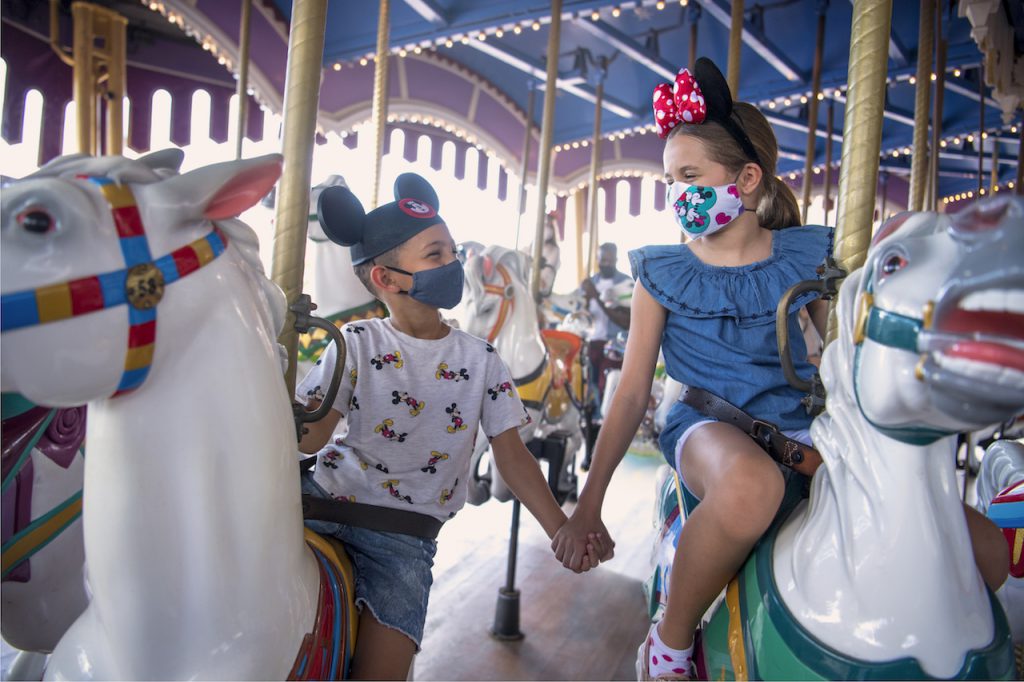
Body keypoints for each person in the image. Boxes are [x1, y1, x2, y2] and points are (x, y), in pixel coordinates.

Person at [552, 58, 1006, 680]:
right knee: (749, 489)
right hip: (707, 422)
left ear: (745, 178)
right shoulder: (660, 272)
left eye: (690, 175)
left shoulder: (805, 256)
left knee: (984, 552)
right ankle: (671, 642)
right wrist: (589, 502)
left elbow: (841, 361)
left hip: (796, 427)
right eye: (670, 180)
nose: (677, 192)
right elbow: (632, 393)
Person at [297, 173, 606, 680]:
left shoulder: (481, 359)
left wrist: (561, 528)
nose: (453, 265)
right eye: (436, 255)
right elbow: (311, 434)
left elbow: (512, 456)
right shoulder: (355, 342)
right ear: (387, 279)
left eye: (451, 253)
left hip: (401, 538)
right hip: (319, 503)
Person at [579, 242, 633, 469]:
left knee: (604, 397)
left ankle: (602, 452)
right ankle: (587, 448)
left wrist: (597, 299)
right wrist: (584, 299)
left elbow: (626, 320)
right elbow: (578, 312)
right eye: (602, 259)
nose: (605, 263)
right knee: (586, 397)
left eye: (609, 259)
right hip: (591, 344)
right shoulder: (591, 283)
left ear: (616, 259)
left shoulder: (626, 284)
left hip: (612, 347)